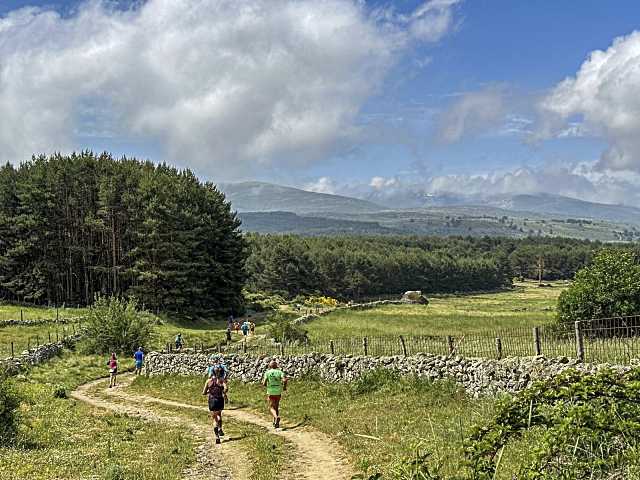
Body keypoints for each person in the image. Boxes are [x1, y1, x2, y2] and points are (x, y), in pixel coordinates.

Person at [202, 368, 228, 444]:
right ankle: (220, 428)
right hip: (219, 399)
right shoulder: (221, 380)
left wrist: (209, 391)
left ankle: (217, 437)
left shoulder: (208, 381)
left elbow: (203, 392)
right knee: (219, 415)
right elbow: (226, 388)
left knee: (214, 419)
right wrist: (222, 392)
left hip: (212, 400)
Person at [262, 360, 287, 428]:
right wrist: (284, 387)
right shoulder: (280, 372)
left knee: (271, 407)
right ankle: (275, 423)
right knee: (276, 406)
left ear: (270, 366)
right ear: (276, 366)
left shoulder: (267, 372)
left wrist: (265, 385)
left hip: (270, 391)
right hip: (278, 391)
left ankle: (276, 417)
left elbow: (264, 382)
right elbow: (285, 380)